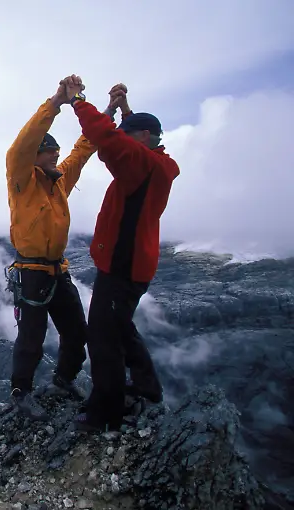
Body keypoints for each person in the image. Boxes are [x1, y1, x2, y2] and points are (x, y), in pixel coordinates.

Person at [63, 81, 180, 432]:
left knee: (103, 337)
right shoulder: (159, 162)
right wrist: (124, 109)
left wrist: (77, 101)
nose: (126, 138)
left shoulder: (140, 162)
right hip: (136, 266)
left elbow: (107, 137)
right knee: (121, 326)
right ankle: (147, 388)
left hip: (121, 267)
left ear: (144, 136)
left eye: (132, 133)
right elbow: (127, 139)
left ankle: (106, 412)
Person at [4, 75, 97, 421]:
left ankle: (63, 380)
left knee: (76, 331)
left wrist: (102, 112)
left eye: (56, 155)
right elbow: (20, 147)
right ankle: (21, 392)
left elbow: (83, 150)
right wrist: (56, 102)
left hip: (58, 270)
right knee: (32, 337)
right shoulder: (21, 180)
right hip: (31, 272)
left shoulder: (58, 181)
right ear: (37, 157)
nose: (56, 160)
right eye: (49, 154)